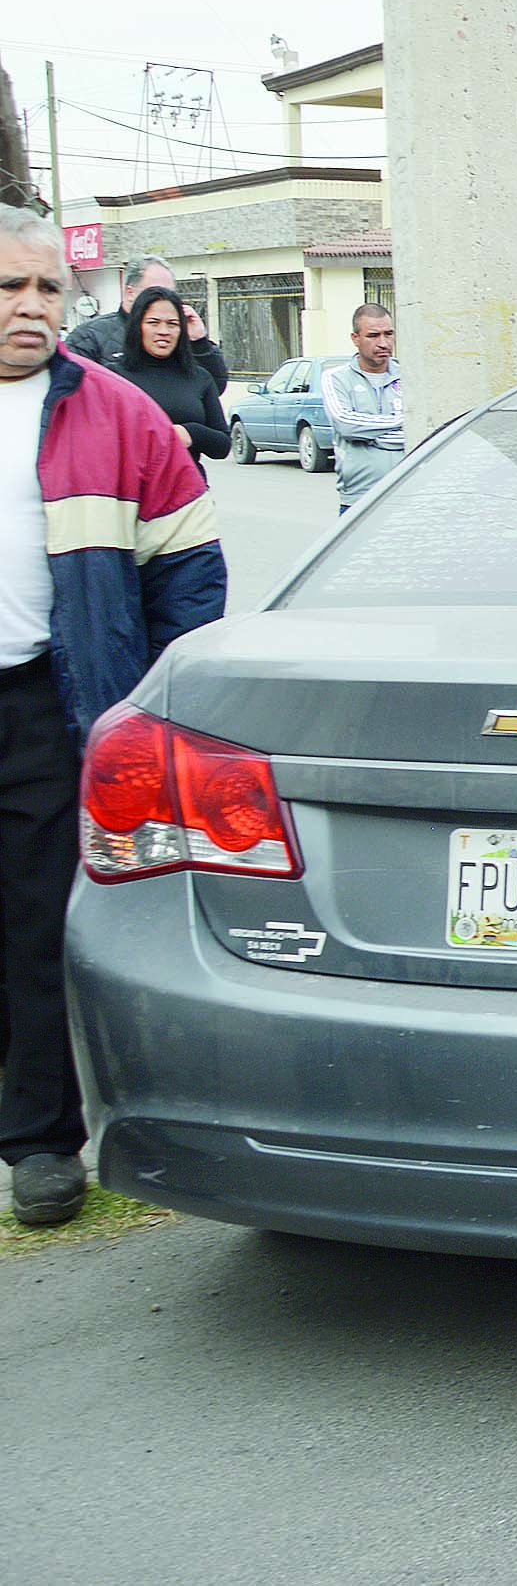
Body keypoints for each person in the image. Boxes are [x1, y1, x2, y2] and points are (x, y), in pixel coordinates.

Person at [0, 206, 227, 1228]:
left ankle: (40, 1140)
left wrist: (143, 698)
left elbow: (189, 573)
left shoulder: (118, 412)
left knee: (39, 927)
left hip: (53, 709)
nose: (29, 307)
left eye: (47, 288)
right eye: (10, 287)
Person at [108, 286, 232, 461]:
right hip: (132, 485)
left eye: (172, 324)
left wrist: (189, 433)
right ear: (137, 326)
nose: (163, 331)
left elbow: (223, 446)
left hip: (186, 485)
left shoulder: (199, 377)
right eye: (153, 322)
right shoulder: (112, 377)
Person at [319, 304, 404, 511]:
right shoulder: (336, 378)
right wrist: (401, 421)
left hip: (407, 495)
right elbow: (345, 425)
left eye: (388, 334)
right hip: (358, 501)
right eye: (373, 336)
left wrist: (369, 434)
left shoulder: (410, 376)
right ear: (355, 338)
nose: (383, 343)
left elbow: (423, 430)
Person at [62, 255, 180, 365]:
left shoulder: (179, 333)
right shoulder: (88, 336)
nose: (164, 300)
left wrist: (197, 343)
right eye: (154, 293)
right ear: (130, 292)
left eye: (170, 293)